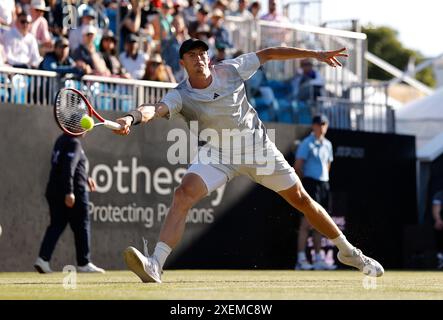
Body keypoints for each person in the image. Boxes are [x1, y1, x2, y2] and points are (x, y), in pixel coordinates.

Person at [113, 38, 384, 283]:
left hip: (258, 149)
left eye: (202, 53)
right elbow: (154, 109)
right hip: (217, 154)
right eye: (191, 55)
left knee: (302, 199)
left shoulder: (230, 69)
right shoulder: (180, 95)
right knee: (183, 194)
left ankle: (348, 251)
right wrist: (130, 118)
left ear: (209, 57)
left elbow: (269, 53)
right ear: (182, 63)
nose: (199, 58)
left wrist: (315, 53)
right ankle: (155, 265)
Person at [34, 133, 105, 274]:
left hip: (54, 190)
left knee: (57, 224)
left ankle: (43, 259)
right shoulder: (75, 143)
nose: (86, 130)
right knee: (82, 225)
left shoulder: (61, 140)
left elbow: (67, 165)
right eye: (82, 126)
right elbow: (68, 167)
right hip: (74, 192)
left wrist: (86, 177)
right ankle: (84, 263)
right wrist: (69, 191)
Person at [294, 114, 337, 270]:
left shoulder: (328, 144)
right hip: (310, 185)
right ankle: (301, 260)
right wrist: (305, 185)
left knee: (320, 224)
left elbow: (328, 165)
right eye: (319, 124)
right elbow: (298, 166)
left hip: (323, 185)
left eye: (324, 124)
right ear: (313, 126)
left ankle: (318, 259)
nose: (322, 127)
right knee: (306, 224)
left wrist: (323, 178)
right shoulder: (306, 143)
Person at [431, 191, 443, 269]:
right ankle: (440, 257)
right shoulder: (439, 195)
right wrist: (438, 220)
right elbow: (436, 208)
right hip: (441, 225)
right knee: (438, 225)